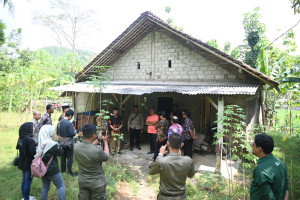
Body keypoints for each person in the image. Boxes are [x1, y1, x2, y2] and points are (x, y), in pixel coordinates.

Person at [149, 133, 195, 200]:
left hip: (164, 197)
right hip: (181, 197)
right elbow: (191, 175)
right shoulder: (188, 161)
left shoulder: (161, 161)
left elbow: (151, 172)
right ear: (182, 145)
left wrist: (160, 154)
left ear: (168, 143)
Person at [74, 124, 109, 200]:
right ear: (93, 135)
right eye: (96, 134)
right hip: (97, 183)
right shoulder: (98, 150)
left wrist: (98, 139)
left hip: (83, 181)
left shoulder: (76, 147)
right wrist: (105, 141)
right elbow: (106, 157)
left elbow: (88, 147)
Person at [250, 134, 289, 200]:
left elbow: (269, 197)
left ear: (259, 149)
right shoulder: (281, 163)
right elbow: (286, 186)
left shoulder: (261, 171)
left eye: (253, 145)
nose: (252, 147)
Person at [38, 125, 65, 200]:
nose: (55, 133)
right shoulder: (51, 144)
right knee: (61, 185)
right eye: (53, 132)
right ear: (49, 133)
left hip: (43, 168)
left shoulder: (41, 142)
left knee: (45, 187)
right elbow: (61, 153)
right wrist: (60, 145)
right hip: (52, 169)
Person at [16, 122, 36, 200]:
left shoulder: (21, 138)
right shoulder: (29, 139)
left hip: (22, 161)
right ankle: (26, 198)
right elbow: (33, 152)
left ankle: (24, 197)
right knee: (28, 181)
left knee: (24, 180)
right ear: (28, 129)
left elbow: (18, 147)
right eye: (33, 127)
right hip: (28, 163)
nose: (34, 129)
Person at [57, 109, 77, 176]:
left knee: (63, 157)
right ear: (70, 116)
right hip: (68, 143)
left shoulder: (59, 123)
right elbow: (72, 133)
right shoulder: (68, 123)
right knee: (69, 158)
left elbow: (57, 133)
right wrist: (75, 132)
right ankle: (70, 172)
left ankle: (63, 171)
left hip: (61, 143)